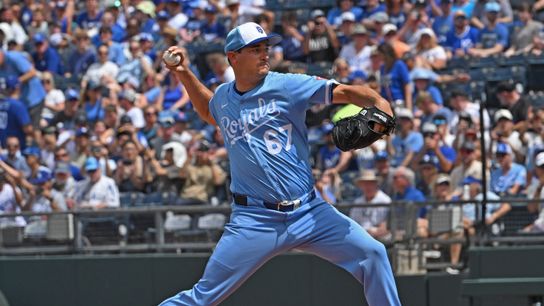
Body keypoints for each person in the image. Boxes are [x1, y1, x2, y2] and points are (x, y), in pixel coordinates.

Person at [160, 22, 401, 306]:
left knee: (373, 254)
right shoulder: (224, 97)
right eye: (255, 49)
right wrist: (184, 73)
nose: (264, 54)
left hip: (310, 213)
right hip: (255, 220)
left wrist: (378, 101)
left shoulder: (287, 85)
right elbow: (210, 111)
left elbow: (346, 92)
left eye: (266, 48)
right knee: (201, 298)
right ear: (233, 57)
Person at [349, 170, 391, 240]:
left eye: (370, 183)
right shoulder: (358, 202)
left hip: (379, 238)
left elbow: (386, 226)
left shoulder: (385, 200)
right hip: (360, 236)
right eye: (365, 183)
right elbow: (353, 223)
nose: (367, 186)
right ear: (361, 185)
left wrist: (376, 231)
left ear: (376, 184)